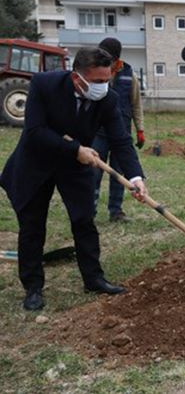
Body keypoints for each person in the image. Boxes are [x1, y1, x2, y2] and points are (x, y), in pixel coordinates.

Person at [0, 47, 148, 311]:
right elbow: (34, 131)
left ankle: (94, 279)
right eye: (98, 82)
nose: (104, 87)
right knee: (33, 226)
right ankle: (33, 287)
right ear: (77, 77)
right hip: (36, 163)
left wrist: (136, 176)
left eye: (107, 81)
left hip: (74, 165)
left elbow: (121, 141)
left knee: (84, 221)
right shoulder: (44, 85)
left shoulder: (108, 99)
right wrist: (75, 150)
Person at [91, 38, 145, 222]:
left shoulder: (129, 74)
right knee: (94, 171)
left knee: (119, 173)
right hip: (98, 131)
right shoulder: (94, 71)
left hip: (121, 131)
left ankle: (116, 211)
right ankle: (90, 211)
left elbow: (136, 104)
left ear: (116, 59)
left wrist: (140, 130)